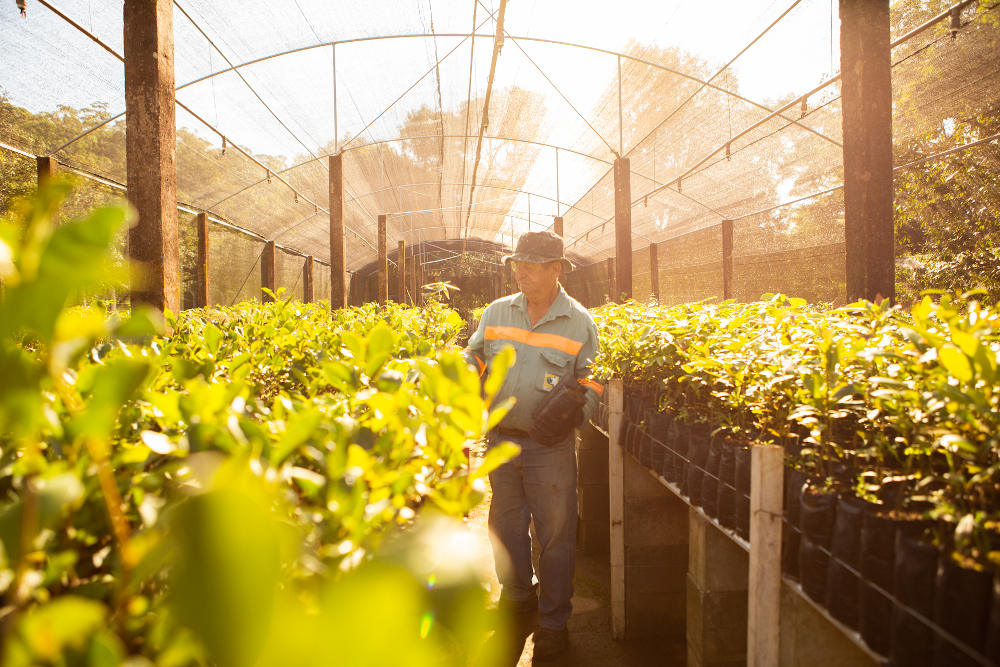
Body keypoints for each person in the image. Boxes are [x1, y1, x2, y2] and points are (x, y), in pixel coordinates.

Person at [466, 230, 603, 660]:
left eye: (530, 264)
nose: (519, 270)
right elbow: (475, 355)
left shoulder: (579, 321)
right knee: (505, 529)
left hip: (551, 449)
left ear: (555, 270)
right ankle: (518, 599)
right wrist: (466, 371)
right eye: (516, 263)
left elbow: (593, 380)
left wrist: (575, 412)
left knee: (556, 537)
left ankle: (552, 622)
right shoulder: (497, 312)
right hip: (503, 441)